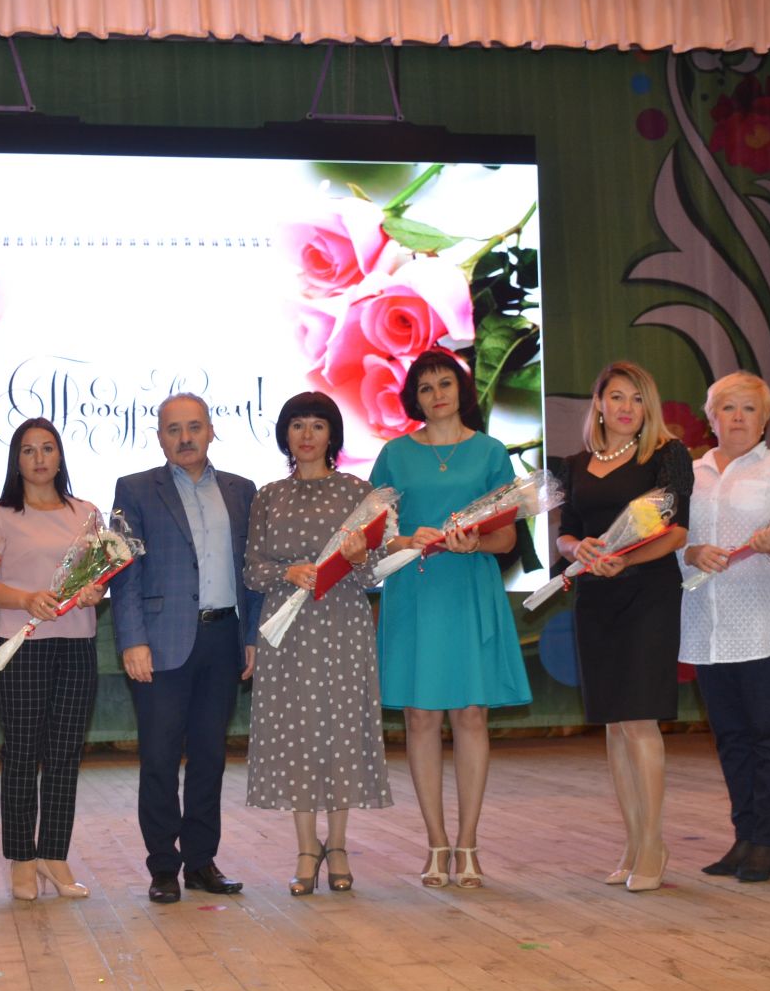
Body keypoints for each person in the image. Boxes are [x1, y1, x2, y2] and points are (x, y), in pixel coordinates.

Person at [370, 349, 531, 890]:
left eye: (445, 383)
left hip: (469, 588)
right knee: (419, 717)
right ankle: (436, 843)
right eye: (425, 387)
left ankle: (469, 844)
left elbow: (506, 539)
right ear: (413, 399)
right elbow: (373, 537)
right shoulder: (394, 455)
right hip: (415, 592)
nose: (437, 394)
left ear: (462, 390)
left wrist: (474, 542)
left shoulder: (491, 452)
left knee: (471, 715)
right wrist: (403, 538)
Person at [111, 393, 262, 904]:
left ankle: (200, 861)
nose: (185, 438)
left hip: (223, 638)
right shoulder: (134, 489)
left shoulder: (242, 491)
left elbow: (251, 572)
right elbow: (124, 572)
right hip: (160, 643)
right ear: (159, 437)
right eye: (173, 429)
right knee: (158, 757)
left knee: (209, 756)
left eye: (194, 426)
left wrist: (251, 636)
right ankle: (162, 867)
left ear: (211, 431)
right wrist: (133, 639)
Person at [244, 391, 391, 896]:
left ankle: (340, 844)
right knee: (296, 733)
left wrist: (358, 556)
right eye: (297, 425)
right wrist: (288, 571)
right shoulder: (268, 496)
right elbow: (252, 569)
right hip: (286, 630)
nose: (307, 435)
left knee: (341, 730)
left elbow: (374, 573)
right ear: (285, 434)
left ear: (333, 436)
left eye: (318, 425)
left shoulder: (359, 493)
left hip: (342, 624)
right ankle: (307, 848)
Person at [555, 360, 692, 892]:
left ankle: (654, 844)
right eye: (616, 397)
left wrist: (625, 560)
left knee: (639, 720)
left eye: (637, 398)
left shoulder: (667, 455)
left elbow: (676, 533)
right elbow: (566, 534)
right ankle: (634, 842)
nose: (626, 407)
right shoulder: (574, 465)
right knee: (614, 724)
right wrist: (579, 549)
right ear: (599, 404)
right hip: (595, 598)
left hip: (648, 594)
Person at [680, 371, 770, 883]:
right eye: (727, 408)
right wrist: (690, 552)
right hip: (706, 626)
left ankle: (767, 840)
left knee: (769, 735)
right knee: (731, 738)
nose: (737, 418)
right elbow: (669, 540)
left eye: (749, 409)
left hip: (766, 624)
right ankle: (743, 835)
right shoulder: (689, 473)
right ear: (711, 416)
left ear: (765, 420)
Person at [0, 418, 106, 901]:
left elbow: (100, 575)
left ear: (60, 455)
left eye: (47, 448)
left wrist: (95, 591)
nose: (40, 458)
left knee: (66, 753)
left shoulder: (87, 513)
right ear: (17, 460)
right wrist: (27, 599)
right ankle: (21, 861)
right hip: (18, 644)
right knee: (23, 754)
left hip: (76, 644)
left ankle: (54, 855)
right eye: (28, 450)